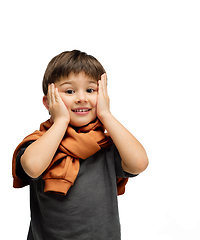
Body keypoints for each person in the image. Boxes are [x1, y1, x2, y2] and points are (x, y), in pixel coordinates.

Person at [12, 50, 149, 240]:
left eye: (91, 90)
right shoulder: (39, 142)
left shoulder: (106, 145)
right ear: (48, 101)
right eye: (69, 91)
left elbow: (139, 162)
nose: (81, 98)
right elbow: (33, 168)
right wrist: (60, 121)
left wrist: (106, 115)